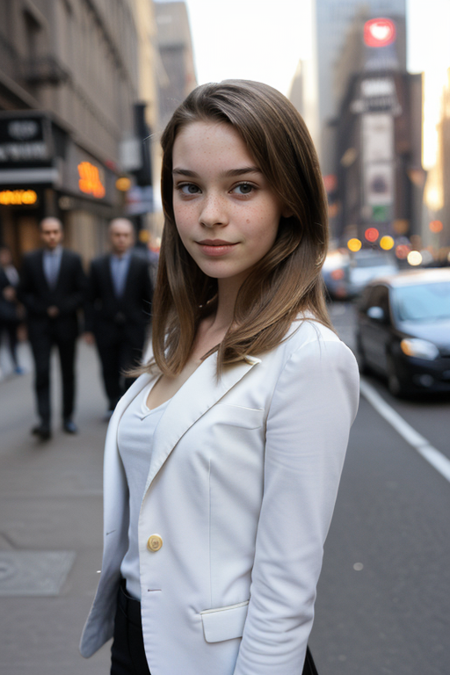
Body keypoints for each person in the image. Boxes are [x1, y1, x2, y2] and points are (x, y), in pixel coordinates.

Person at [80, 81, 359, 675]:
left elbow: (285, 588)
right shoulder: (187, 329)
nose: (209, 215)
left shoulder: (308, 357)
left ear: (290, 197)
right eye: (188, 188)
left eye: (242, 187)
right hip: (139, 642)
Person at [18, 217, 86, 440]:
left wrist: (63, 307)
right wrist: (41, 308)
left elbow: (81, 292)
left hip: (66, 324)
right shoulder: (30, 260)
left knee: (68, 373)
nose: (51, 236)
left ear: (61, 233)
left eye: (55, 231)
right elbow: (23, 292)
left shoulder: (73, 259)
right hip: (40, 326)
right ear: (41, 234)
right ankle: (45, 422)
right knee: (42, 373)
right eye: (47, 232)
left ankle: (67, 418)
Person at [84, 219, 153, 416]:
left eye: (125, 235)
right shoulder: (98, 265)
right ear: (110, 237)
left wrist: (148, 323)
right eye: (117, 235)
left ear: (131, 238)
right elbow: (90, 299)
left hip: (133, 327)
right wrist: (88, 329)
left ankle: (126, 403)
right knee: (108, 367)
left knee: (131, 368)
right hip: (105, 327)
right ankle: (112, 402)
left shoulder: (141, 264)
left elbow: (149, 297)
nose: (121, 239)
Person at [0, 245, 24, 375]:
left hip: (11, 310)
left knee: (13, 338)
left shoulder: (14, 270)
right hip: (2, 310)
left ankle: (15, 364)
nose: (5, 258)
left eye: (7, 255)